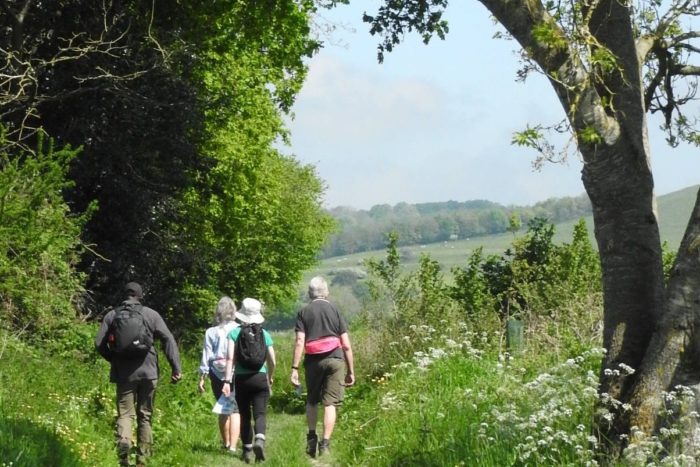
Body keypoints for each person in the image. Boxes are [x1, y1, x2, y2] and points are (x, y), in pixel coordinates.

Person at [95, 282, 182, 467]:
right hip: (149, 372)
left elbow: (98, 344)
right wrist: (176, 367)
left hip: (124, 373)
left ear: (125, 295)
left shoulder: (112, 315)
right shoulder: (151, 314)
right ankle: (142, 459)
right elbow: (168, 339)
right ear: (140, 295)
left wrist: (113, 359)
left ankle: (124, 445)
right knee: (145, 415)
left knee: (125, 414)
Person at [291, 276, 355, 458]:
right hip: (335, 359)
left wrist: (294, 368)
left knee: (312, 400)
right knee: (330, 404)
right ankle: (325, 444)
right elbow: (346, 344)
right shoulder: (335, 310)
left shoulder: (304, 312)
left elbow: (299, 341)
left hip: (313, 361)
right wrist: (351, 370)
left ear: (310, 294)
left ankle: (311, 437)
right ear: (326, 292)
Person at [222, 298, 276, 464]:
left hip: (242, 378)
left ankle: (246, 450)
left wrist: (226, 380)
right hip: (260, 377)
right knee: (259, 413)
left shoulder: (234, 333)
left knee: (244, 415)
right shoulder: (264, 334)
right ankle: (259, 440)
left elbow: (230, 358)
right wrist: (270, 376)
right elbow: (272, 360)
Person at [198, 296, 240, 454]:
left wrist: (202, 377)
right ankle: (234, 446)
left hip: (216, 371)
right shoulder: (239, 329)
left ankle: (226, 442)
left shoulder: (211, 331)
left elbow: (206, 355)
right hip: (235, 370)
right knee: (235, 409)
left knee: (223, 407)